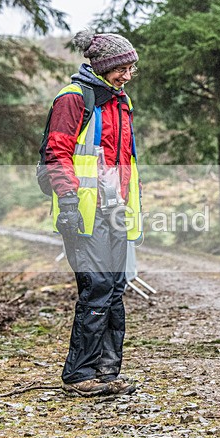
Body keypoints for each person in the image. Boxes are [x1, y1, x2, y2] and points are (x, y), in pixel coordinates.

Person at [44, 29, 143, 397]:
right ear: (104, 66)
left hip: (115, 210)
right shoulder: (73, 99)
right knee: (97, 286)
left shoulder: (120, 101)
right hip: (84, 213)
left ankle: (106, 372)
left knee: (115, 288)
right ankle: (79, 374)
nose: (128, 75)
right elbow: (57, 153)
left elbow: (123, 162)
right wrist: (68, 203)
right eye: (123, 68)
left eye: (132, 68)